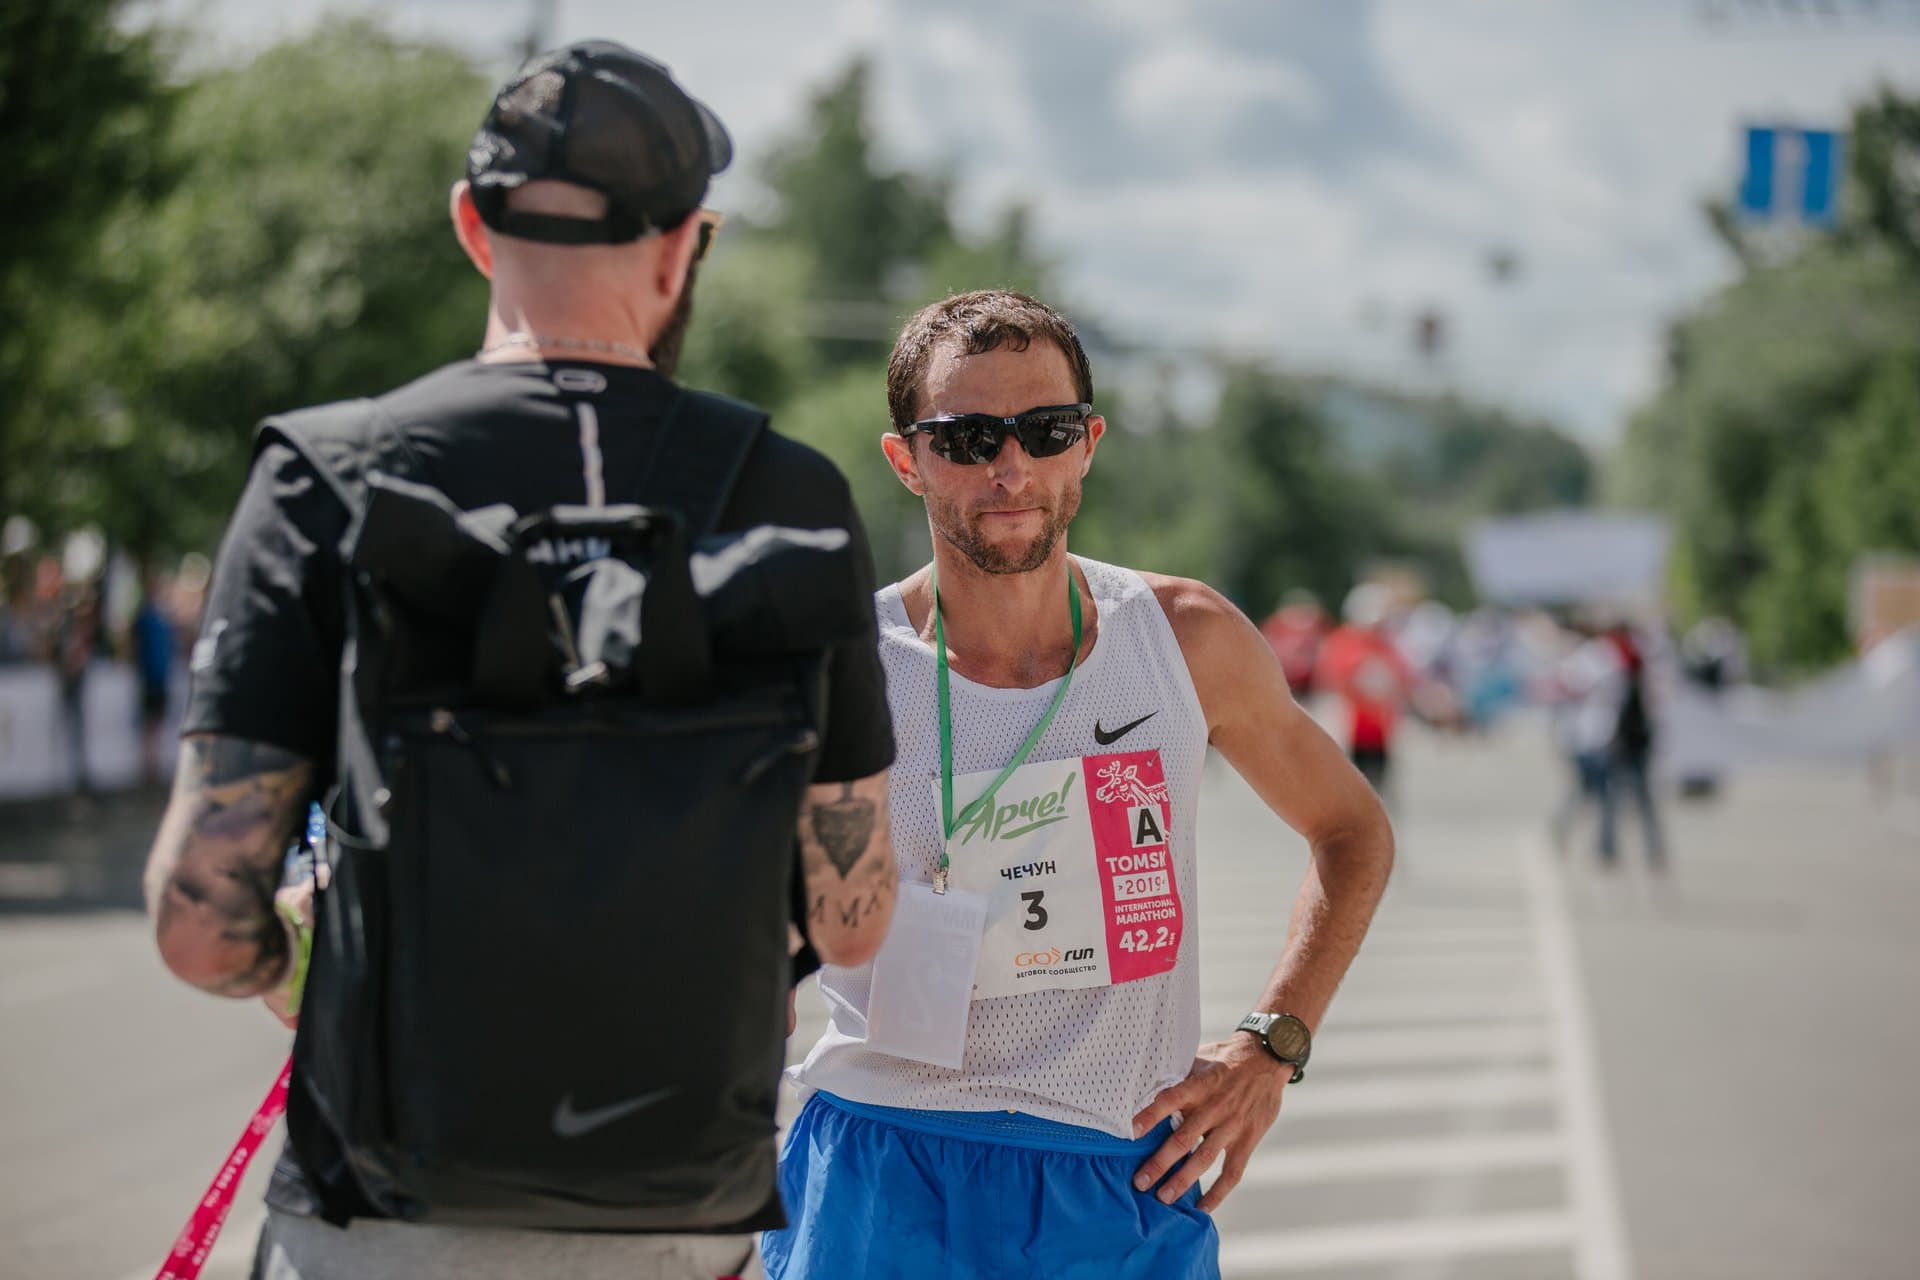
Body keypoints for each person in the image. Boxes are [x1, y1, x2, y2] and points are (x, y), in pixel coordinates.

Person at [142, 41, 897, 1280]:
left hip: (379, 1214)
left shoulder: (325, 477)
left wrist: (301, 957)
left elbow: (199, 922)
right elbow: (853, 917)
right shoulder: (791, 499)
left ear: (472, 229)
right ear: (679, 247)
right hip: (683, 1214)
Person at [764, 291, 1395, 1279]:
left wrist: (1272, 1041)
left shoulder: (1186, 641)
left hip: (1116, 1176)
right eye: (968, 436)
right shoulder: (837, 661)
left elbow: (1352, 831)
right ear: (906, 459)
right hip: (882, 1166)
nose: (1010, 466)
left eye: (1044, 430)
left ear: (1088, 442)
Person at [1313, 582, 1417, 794]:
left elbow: (1403, 676)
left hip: (1380, 726)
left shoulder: (1386, 644)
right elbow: (1330, 677)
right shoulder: (1342, 641)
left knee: (1378, 782)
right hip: (1349, 725)